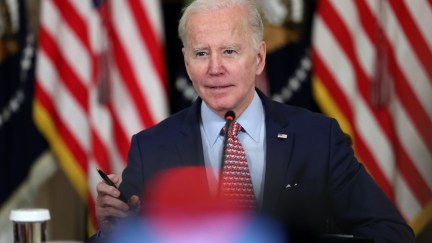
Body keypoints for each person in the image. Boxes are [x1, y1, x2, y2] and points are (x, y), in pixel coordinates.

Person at [94, 0, 415, 242]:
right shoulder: (151, 148)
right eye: (201, 53)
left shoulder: (319, 138)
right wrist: (113, 228)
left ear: (259, 57)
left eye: (230, 51)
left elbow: (391, 232)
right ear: (186, 62)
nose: (215, 68)